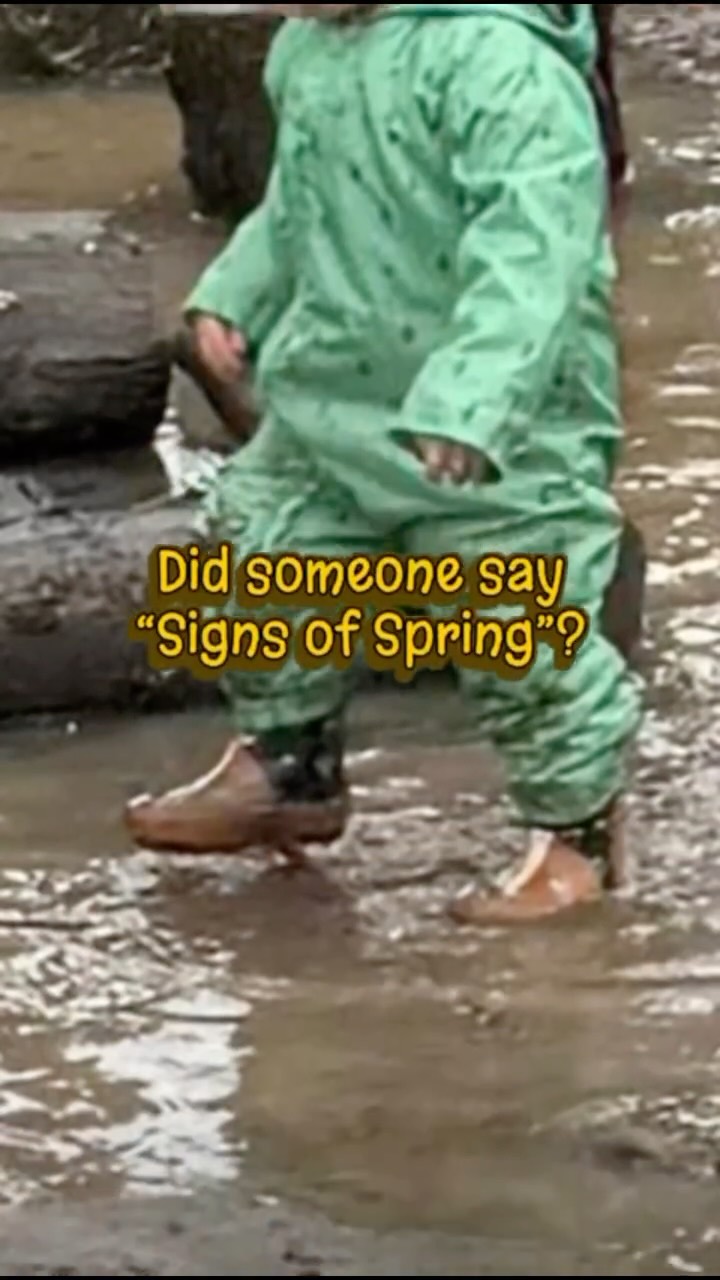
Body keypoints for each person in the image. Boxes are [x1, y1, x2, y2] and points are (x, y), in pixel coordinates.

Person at [127, 2, 643, 924]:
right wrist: (236, 291)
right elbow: (297, 205)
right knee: (258, 551)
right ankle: (287, 764)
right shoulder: (312, 50)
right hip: (332, 396)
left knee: (515, 620)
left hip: (504, 424)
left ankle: (579, 837)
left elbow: (537, 245)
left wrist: (475, 395)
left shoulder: (499, 60)